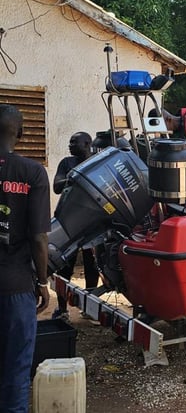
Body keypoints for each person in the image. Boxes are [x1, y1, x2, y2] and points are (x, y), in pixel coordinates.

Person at [0, 104, 50, 413]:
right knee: (16, 374)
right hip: (16, 287)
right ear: (20, 133)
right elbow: (39, 238)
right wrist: (43, 282)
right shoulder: (32, 173)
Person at [52, 132, 98, 319]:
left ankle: (90, 310)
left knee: (92, 266)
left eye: (74, 142)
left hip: (92, 222)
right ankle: (63, 310)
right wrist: (76, 178)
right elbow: (56, 186)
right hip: (69, 222)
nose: (70, 145)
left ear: (87, 143)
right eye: (70, 142)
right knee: (64, 266)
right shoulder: (67, 163)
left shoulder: (97, 162)